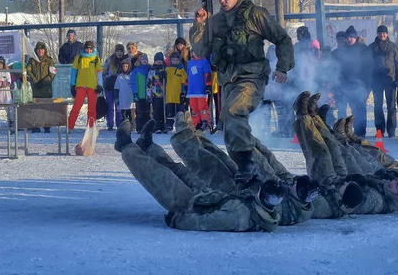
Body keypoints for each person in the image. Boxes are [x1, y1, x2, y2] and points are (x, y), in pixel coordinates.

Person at [190, 0, 294, 183]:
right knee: (229, 126)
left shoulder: (255, 15)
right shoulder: (216, 21)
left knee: (232, 113)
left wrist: (282, 67)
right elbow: (200, 50)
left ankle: (246, 163)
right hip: (228, 80)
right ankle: (252, 167)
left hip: (252, 77)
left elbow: (282, 39)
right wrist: (200, 26)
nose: (222, 1)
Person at [114, 119, 285, 232]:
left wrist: (177, 220)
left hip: (189, 205)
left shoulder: (239, 218)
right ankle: (148, 146)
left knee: (158, 177)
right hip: (207, 195)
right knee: (178, 170)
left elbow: (205, 223)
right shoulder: (265, 206)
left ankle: (126, 146)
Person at [331, 25, 370, 137]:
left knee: (359, 110)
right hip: (342, 85)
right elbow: (333, 68)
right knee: (342, 109)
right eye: (347, 37)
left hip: (359, 86)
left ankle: (360, 132)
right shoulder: (339, 52)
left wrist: (367, 87)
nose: (349, 39)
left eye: (352, 37)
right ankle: (342, 131)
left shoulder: (363, 50)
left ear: (356, 37)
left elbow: (368, 69)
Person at [368, 25, 398, 138]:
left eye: (384, 33)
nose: (382, 35)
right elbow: (367, 64)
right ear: (377, 34)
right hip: (376, 79)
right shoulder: (371, 47)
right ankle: (379, 130)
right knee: (378, 105)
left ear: (387, 34)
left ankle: (391, 130)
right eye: (380, 33)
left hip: (389, 79)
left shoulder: (393, 47)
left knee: (391, 105)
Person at [68, 41, 103, 130]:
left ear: (93, 49)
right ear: (84, 49)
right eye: (87, 49)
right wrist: (72, 84)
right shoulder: (79, 58)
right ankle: (70, 126)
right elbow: (74, 72)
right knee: (76, 106)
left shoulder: (96, 59)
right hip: (81, 85)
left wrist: (100, 85)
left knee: (92, 108)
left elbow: (99, 73)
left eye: (90, 49)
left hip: (92, 86)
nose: (88, 51)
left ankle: (90, 127)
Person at [26, 41, 57, 133]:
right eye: (38, 50)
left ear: (45, 50)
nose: (40, 51)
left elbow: (52, 73)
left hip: (46, 87)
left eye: (42, 49)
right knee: (35, 107)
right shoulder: (32, 60)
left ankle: (47, 125)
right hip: (35, 87)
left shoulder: (49, 60)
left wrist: (44, 81)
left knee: (46, 107)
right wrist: (35, 80)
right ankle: (35, 125)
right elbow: (28, 71)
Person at [102, 44, 127, 131]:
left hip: (120, 86)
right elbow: (104, 71)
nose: (119, 53)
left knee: (119, 106)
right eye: (118, 51)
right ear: (115, 51)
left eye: (121, 51)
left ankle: (119, 124)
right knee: (110, 105)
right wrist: (106, 80)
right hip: (110, 86)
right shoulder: (110, 59)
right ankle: (110, 124)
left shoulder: (125, 60)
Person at [186, 50, 212, 131]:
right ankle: (197, 123)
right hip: (191, 90)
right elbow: (188, 76)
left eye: (198, 51)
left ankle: (205, 122)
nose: (196, 54)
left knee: (202, 107)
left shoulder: (204, 62)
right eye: (194, 52)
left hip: (201, 90)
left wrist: (208, 86)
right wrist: (185, 87)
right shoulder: (190, 63)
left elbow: (207, 75)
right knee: (194, 107)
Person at [164, 52, 187, 132]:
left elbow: (184, 82)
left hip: (179, 94)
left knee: (180, 111)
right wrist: (162, 76)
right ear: (171, 61)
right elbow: (162, 81)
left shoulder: (182, 70)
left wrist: (183, 92)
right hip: (169, 95)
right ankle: (169, 124)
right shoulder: (167, 69)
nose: (175, 61)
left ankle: (180, 124)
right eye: (173, 60)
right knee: (170, 111)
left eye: (177, 60)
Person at [130, 54, 151, 133]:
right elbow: (133, 82)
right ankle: (139, 127)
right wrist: (135, 93)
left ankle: (147, 127)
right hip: (139, 95)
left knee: (148, 112)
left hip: (148, 95)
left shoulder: (150, 68)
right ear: (140, 61)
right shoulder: (136, 70)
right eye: (143, 59)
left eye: (146, 59)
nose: (144, 61)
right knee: (139, 112)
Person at [147, 52, 167, 134]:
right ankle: (157, 126)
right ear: (154, 61)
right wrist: (149, 95)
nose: (159, 62)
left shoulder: (165, 70)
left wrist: (165, 76)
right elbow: (149, 83)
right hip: (155, 95)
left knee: (163, 111)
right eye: (157, 60)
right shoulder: (152, 71)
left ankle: (163, 126)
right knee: (156, 112)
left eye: (160, 60)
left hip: (164, 95)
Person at [114, 58, 134, 126]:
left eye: (126, 66)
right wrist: (116, 97)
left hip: (130, 98)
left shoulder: (132, 75)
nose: (125, 68)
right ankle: (124, 125)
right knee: (123, 114)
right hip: (122, 97)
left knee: (131, 113)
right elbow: (116, 88)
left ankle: (132, 126)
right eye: (123, 66)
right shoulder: (119, 77)